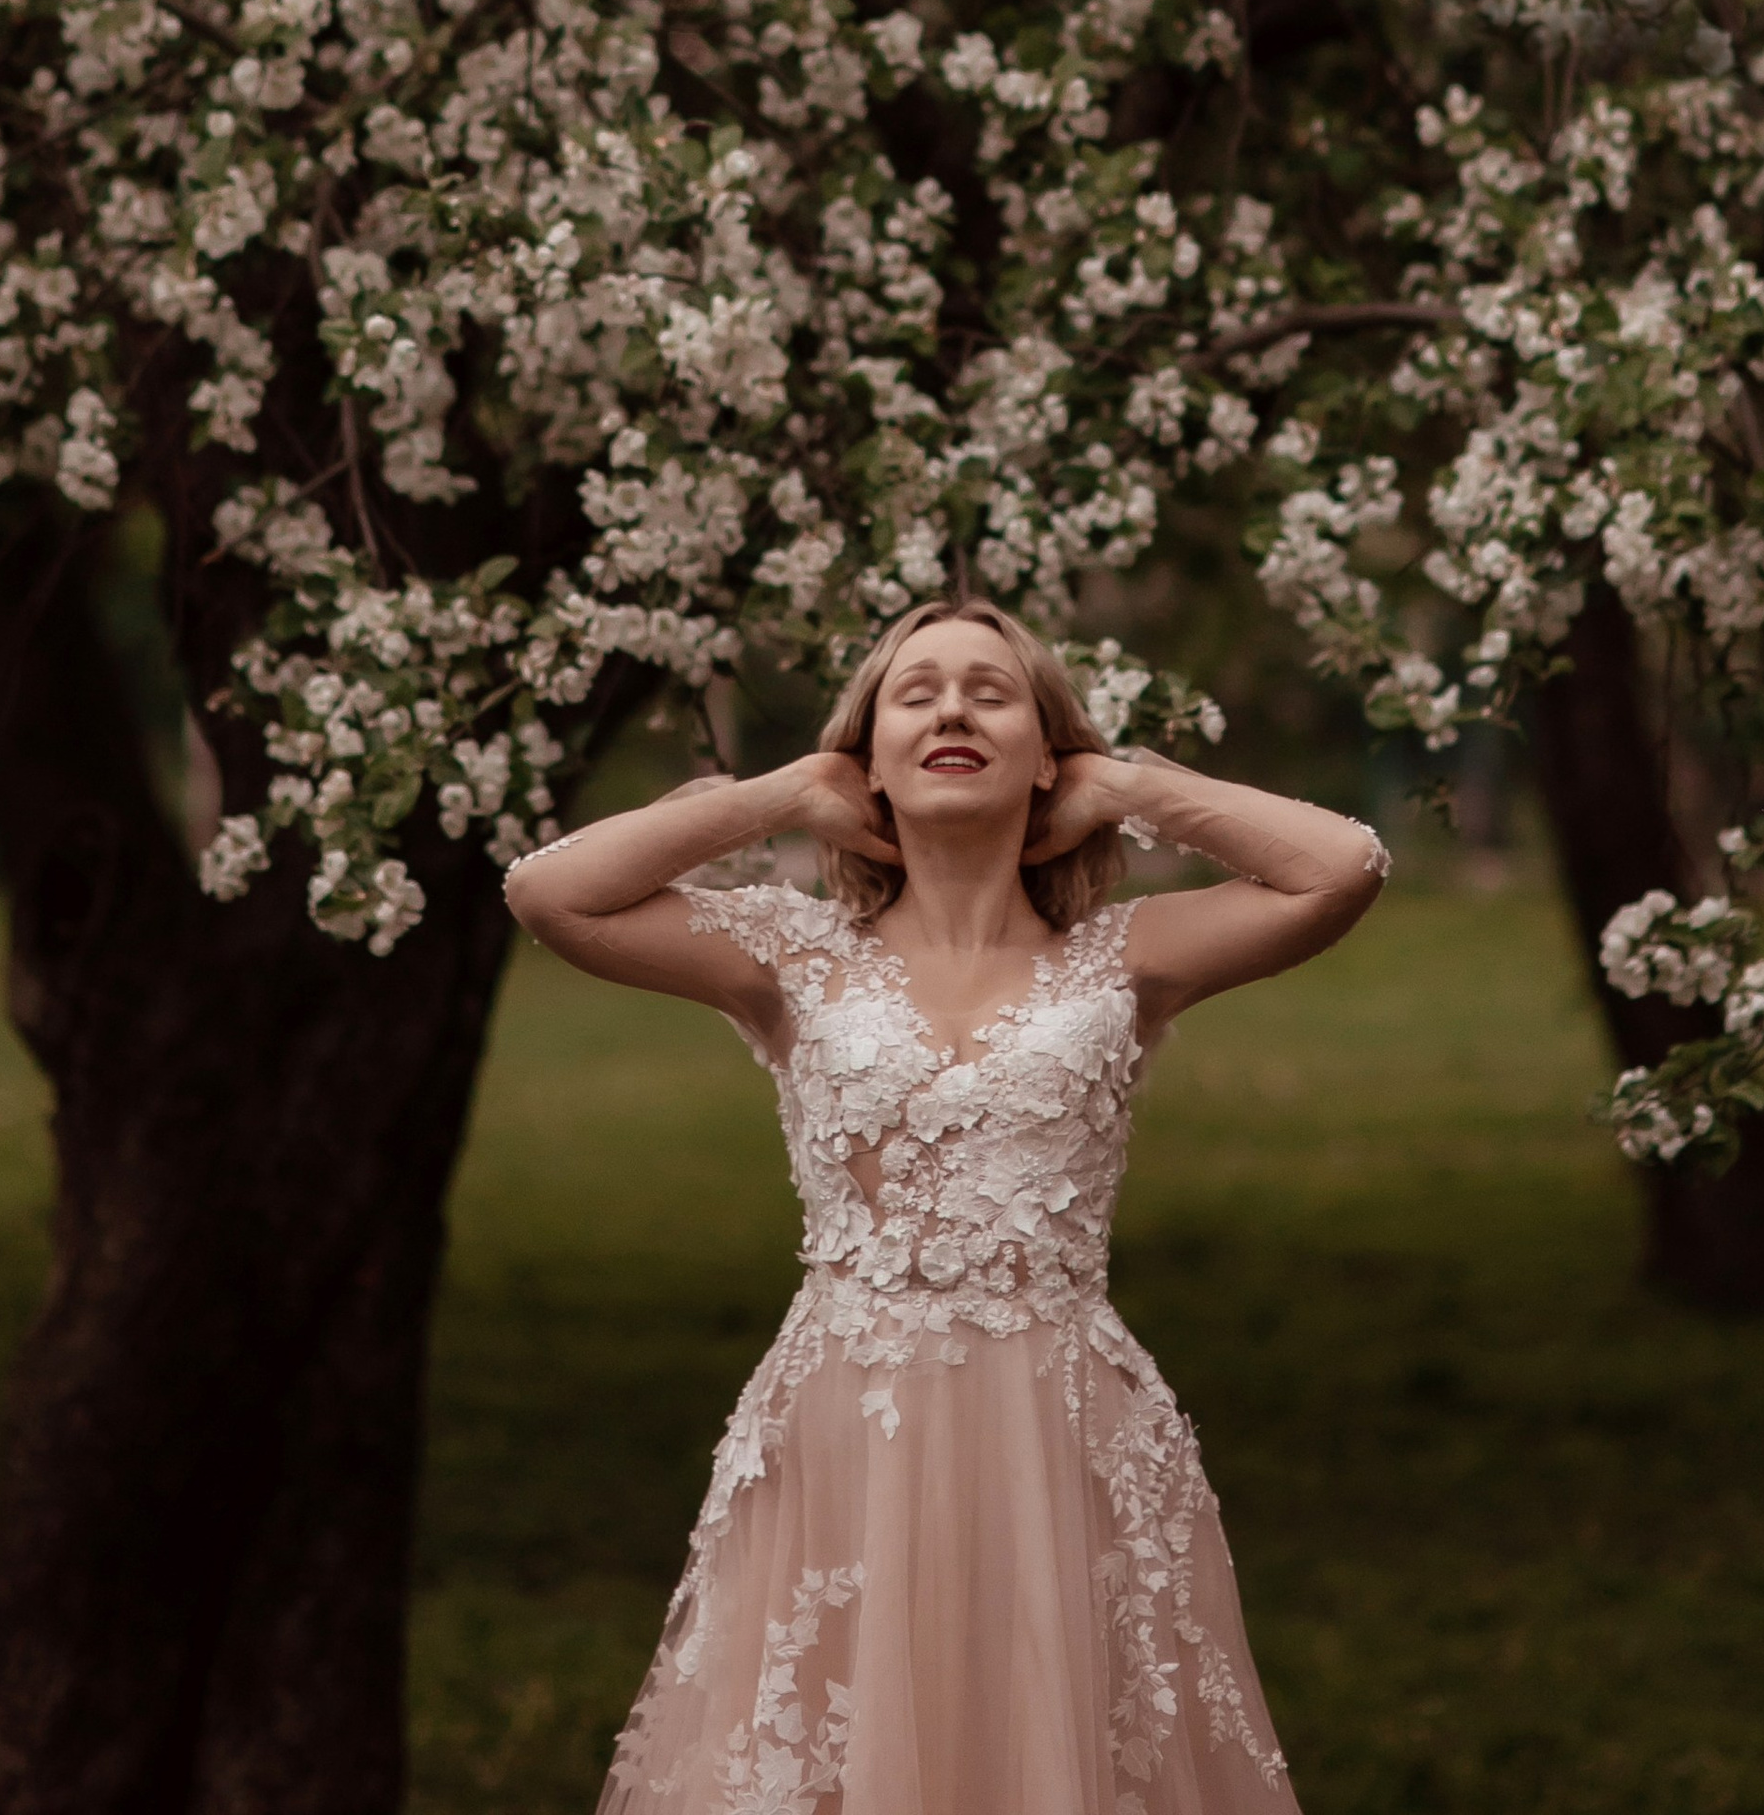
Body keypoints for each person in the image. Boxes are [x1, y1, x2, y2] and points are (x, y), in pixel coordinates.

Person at [505, 594, 1389, 1815]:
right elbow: (550, 895)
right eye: (915, 694)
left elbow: (1341, 868)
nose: (953, 709)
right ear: (869, 757)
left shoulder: (1127, 957)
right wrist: (782, 793)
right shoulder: (789, 956)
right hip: (843, 1426)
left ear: (1044, 755)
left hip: (1060, 1421)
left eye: (991, 691)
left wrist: (1128, 787)